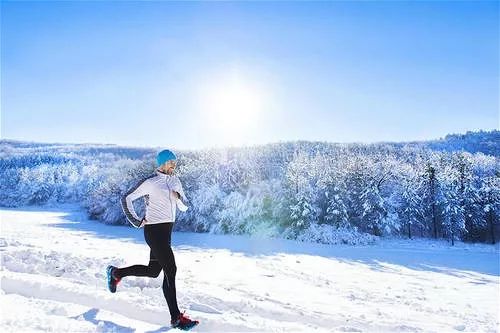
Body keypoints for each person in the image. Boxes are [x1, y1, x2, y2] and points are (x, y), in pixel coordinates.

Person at [106, 149, 198, 331]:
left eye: (175, 162)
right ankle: (176, 318)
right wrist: (136, 220)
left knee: (153, 271)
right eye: (171, 162)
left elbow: (186, 206)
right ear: (162, 163)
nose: (174, 165)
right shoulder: (151, 182)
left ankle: (116, 273)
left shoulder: (175, 181)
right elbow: (126, 198)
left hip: (167, 232)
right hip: (154, 232)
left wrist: (177, 197)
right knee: (170, 269)